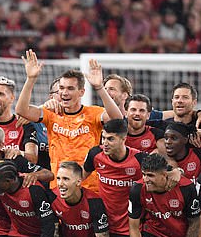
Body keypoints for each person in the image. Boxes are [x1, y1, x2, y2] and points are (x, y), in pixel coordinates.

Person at [15, 49, 123, 191]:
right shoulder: (51, 114)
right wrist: (31, 79)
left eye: (70, 88)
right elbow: (21, 110)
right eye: (61, 88)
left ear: (81, 92)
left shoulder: (93, 113)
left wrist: (99, 87)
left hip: (89, 188)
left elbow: (117, 118)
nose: (64, 92)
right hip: (58, 187)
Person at [128, 154, 201, 237]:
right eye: (144, 174)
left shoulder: (185, 188)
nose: (146, 179)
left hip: (181, 235)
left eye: (150, 175)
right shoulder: (137, 189)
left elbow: (195, 221)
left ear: (164, 175)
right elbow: (133, 227)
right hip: (155, 233)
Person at [83, 119, 148, 237]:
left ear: (124, 139)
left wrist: (176, 171)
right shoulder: (95, 154)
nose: (105, 143)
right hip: (104, 229)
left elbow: (164, 172)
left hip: (130, 230)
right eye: (103, 138)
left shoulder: (139, 159)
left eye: (111, 139)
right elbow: (78, 178)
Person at [47, 161, 109, 237]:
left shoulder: (94, 202)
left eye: (66, 179)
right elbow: (53, 231)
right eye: (59, 178)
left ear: (78, 182)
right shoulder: (51, 198)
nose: (60, 184)